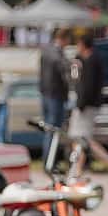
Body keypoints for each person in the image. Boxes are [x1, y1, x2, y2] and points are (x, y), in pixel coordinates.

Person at [71, 33, 108, 181]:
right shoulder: (93, 60)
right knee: (82, 138)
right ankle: (77, 169)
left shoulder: (91, 61)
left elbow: (87, 86)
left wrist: (81, 104)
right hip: (90, 104)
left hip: (85, 105)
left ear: (83, 45)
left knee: (81, 138)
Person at [38, 28, 70, 161]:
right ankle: (49, 160)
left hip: (45, 94)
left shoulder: (46, 51)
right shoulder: (56, 53)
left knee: (49, 129)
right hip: (55, 95)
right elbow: (62, 67)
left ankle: (48, 159)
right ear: (64, 39)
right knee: (53, 130)